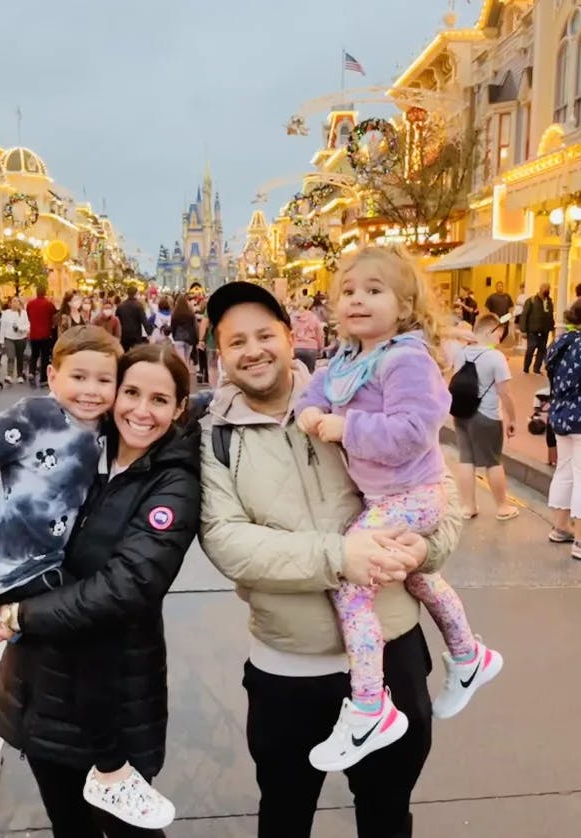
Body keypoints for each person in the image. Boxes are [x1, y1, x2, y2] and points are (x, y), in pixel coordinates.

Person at [200, 280, 463, 838]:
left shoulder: (353, 392)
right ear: (218, 355)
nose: (254, 351)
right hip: (288, 670)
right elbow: (228, 542)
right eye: (236, 341)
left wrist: (427, 547)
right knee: (285, 815)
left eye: (265, 335)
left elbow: (440, 493)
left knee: (387, 813)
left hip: (393, 654)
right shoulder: (213, 438)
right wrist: (341, 555)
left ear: (290, 336)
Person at [0, 327, 174, 828]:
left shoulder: (106, 426)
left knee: (86, 646)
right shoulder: (32, 417)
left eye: (105, 379)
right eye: (78, 377)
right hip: (21, 569)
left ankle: (100, 768)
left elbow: (174, 404)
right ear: (52, 376)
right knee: (92, 640)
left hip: (54, 567)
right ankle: (109, 770)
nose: (91, 390)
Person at [0, 343, 201, 836]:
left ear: (179, 407)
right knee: (69, 823)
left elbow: (127, 585)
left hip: (114, 688)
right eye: (132, 392)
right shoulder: (75, 444)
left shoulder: (173, 483)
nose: (141, 411)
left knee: (128, 830)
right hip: (40, 685)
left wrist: (20, 614)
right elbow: (11, 509)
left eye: (160, 400)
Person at [295, 247, 502, 771]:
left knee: (351, 578)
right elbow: (311, 396)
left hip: (414, 493)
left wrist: (347, 429)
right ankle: (469, 655)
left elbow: (415, 432)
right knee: (415, 577)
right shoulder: (346, 358)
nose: (357, 300)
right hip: (386, 497)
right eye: (347, 291)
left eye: (373, 289)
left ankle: (370, 707)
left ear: (405, 302)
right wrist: (310, 413)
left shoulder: (406, 359)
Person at [452, 313, 519, 520]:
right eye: (498, 334)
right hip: (486, 415)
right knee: (492, 461)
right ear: (489, 332)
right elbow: (505, 393)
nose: (499, 339)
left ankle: (468, 507)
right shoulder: (495, 357)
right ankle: (502, 507)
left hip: (461, 413)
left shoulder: (461, 353)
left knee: (466, 459)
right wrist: (512, 419)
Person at [545, 298, 581, 556]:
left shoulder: (560, 342)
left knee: (565, 470)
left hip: (560, 414)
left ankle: (560, 527)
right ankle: (580, 539)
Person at [521, 282, 555, 374]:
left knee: (542, 350)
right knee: (530, 350)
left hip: (544, 331)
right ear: (541, 289)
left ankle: (537, 369)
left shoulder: (549, 301)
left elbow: (551, 316)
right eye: (545, 288)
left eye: (548, 288)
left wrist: (552, 328)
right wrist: (523, 330)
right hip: (533, 330)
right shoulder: (531, 300)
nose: (547, 290)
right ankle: (526, 368)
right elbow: (524, 315)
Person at [26, 285, 56, 388]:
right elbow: (54, 316)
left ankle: (31, 372)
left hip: (33, 334)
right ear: (45, 293)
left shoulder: (30, 304)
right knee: (44, 357)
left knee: (34, 355)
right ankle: (43, 378)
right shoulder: (49, 304)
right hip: (45, 334)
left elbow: (29, 317)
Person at [0, 296, 29, 384]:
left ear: (20, 304)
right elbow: (2, 327)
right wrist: (1, 341)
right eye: (13, 302)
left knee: (20, 357)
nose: (15, 303)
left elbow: (27, 326)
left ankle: (20, 375)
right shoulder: (5, 313)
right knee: (10, 356)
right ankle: (9, 375)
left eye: (17, 302)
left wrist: (19, 328)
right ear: (10, 303)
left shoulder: (23, 313)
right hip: (9, 338)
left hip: (21, 338)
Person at [290, 296, 324, 373]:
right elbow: (320, 334)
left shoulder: (293, 317)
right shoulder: (314, 317)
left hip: (296, 347)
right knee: (310, 373)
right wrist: (320, 348)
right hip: (311, 348)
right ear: (309, 306)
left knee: (297, 373)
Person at [116, 286, 152, 351]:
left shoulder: (121, 306)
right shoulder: (138, 305)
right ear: (136, 294)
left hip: (124, 334)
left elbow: (117, 320)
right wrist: (149, 333)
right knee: (136, 354)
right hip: (136, 334)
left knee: (124, 353)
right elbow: (144, 320)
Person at [170, 294, 198, 366]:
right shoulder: (191, 314)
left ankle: (184, 375)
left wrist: (174, 336)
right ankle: (187, 374)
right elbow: (194, 327)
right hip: (189, 339)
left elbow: (173, 327)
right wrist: (196, 340)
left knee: (181, 361)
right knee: (187, 359)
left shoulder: (175, 314)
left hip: (178, 338)